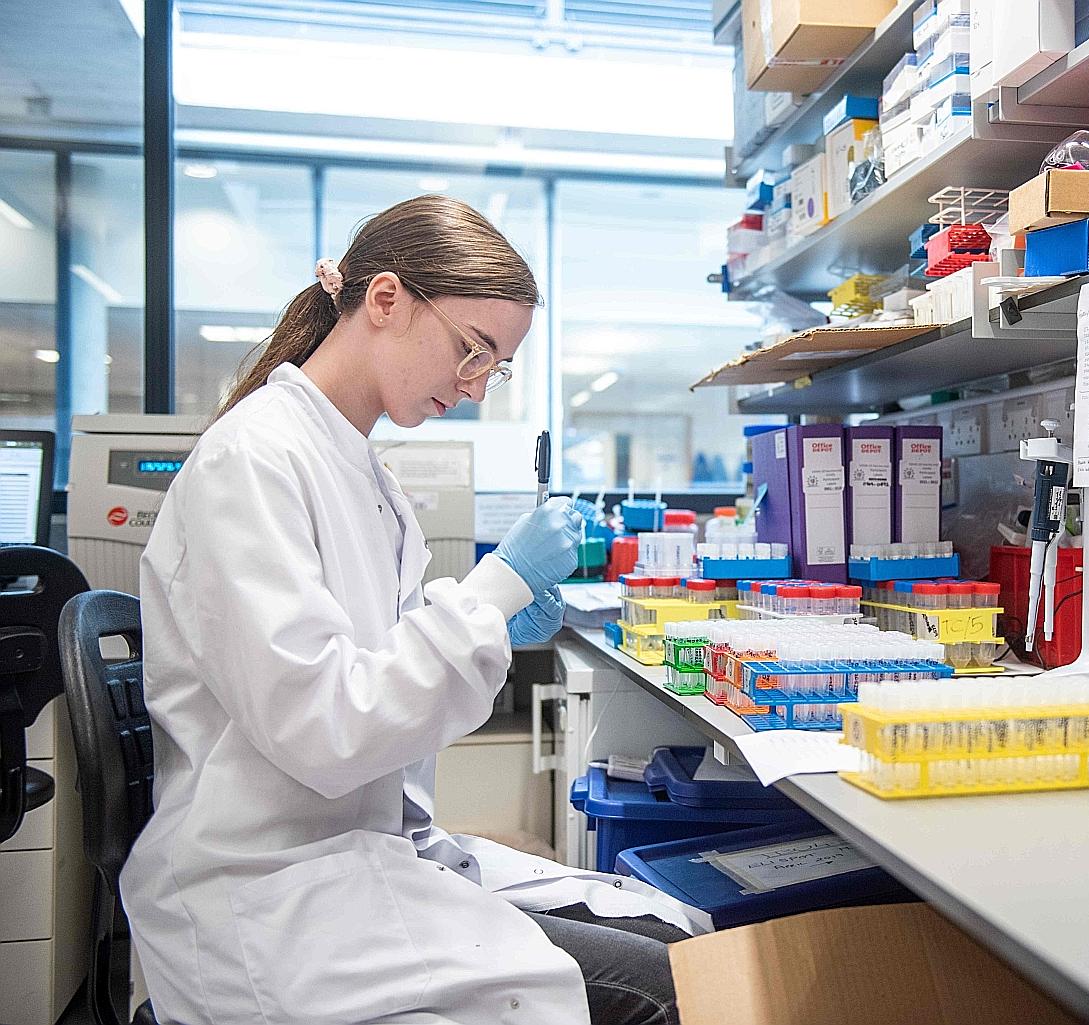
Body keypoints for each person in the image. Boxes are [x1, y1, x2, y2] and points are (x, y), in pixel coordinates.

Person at [120, 195, 706, 1025]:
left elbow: (368, 665)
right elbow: (326, 725)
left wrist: (490, 618)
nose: (473, 387)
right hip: (266, 900)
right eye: (473, 351)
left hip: (354, 859)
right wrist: (495, 586)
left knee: (672, 928)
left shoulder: (361, 471)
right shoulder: (252, 460)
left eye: (493, 368)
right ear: (386, 300)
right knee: (668, 990)